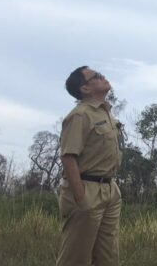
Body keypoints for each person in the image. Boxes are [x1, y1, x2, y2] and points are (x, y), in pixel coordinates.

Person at [57, 66, 122, 266]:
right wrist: (80, 196)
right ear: (85, 89)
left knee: (107, 257)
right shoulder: (80, 115)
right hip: (86, 189)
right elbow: (68, 156)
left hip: (110, 190)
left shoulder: (107, 114)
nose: (103, 76)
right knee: (76, 258)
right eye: (97, 76)